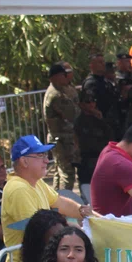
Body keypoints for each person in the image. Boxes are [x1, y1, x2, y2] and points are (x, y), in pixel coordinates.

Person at [1, 135, 89, 262]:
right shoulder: (18, 189)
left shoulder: (36, 182)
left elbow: (61, 203)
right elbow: (39, 230)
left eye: (46, 155)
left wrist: (88, 214)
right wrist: (76, 230)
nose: (47, 160)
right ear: (24, 161)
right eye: (40, 155)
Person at [44, 63, 80, 192]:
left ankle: (56, 200)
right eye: (64, 75)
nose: (67, 77)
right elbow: (73, 114)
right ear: (57, 76)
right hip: (61, 139)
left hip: (64, 137)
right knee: (67, 173)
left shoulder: (63, 90)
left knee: (60, 172)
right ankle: (66, 200)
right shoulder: (56, 95)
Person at [74, 90, 113, 204]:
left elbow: (109, 135)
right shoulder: (79, 121)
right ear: (81, 104)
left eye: (93, 101)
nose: (91, 104)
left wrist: (100, 119)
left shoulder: (99, 118)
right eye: (87, 101)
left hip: (100, 158)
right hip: (86, 160)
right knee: (87, 192)